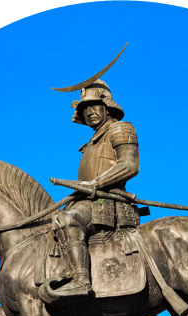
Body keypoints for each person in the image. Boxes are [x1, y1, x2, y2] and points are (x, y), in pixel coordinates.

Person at [49, 79, 140, 299]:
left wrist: (96, 183)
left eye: (93, 106)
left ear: (107, 105)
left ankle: (81, 280)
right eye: (84, 108)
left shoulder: (120, 128)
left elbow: (129, 165)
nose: (89, 112)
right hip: (86, 200)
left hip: (106, 202)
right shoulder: (91, 143)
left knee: (67, 220)